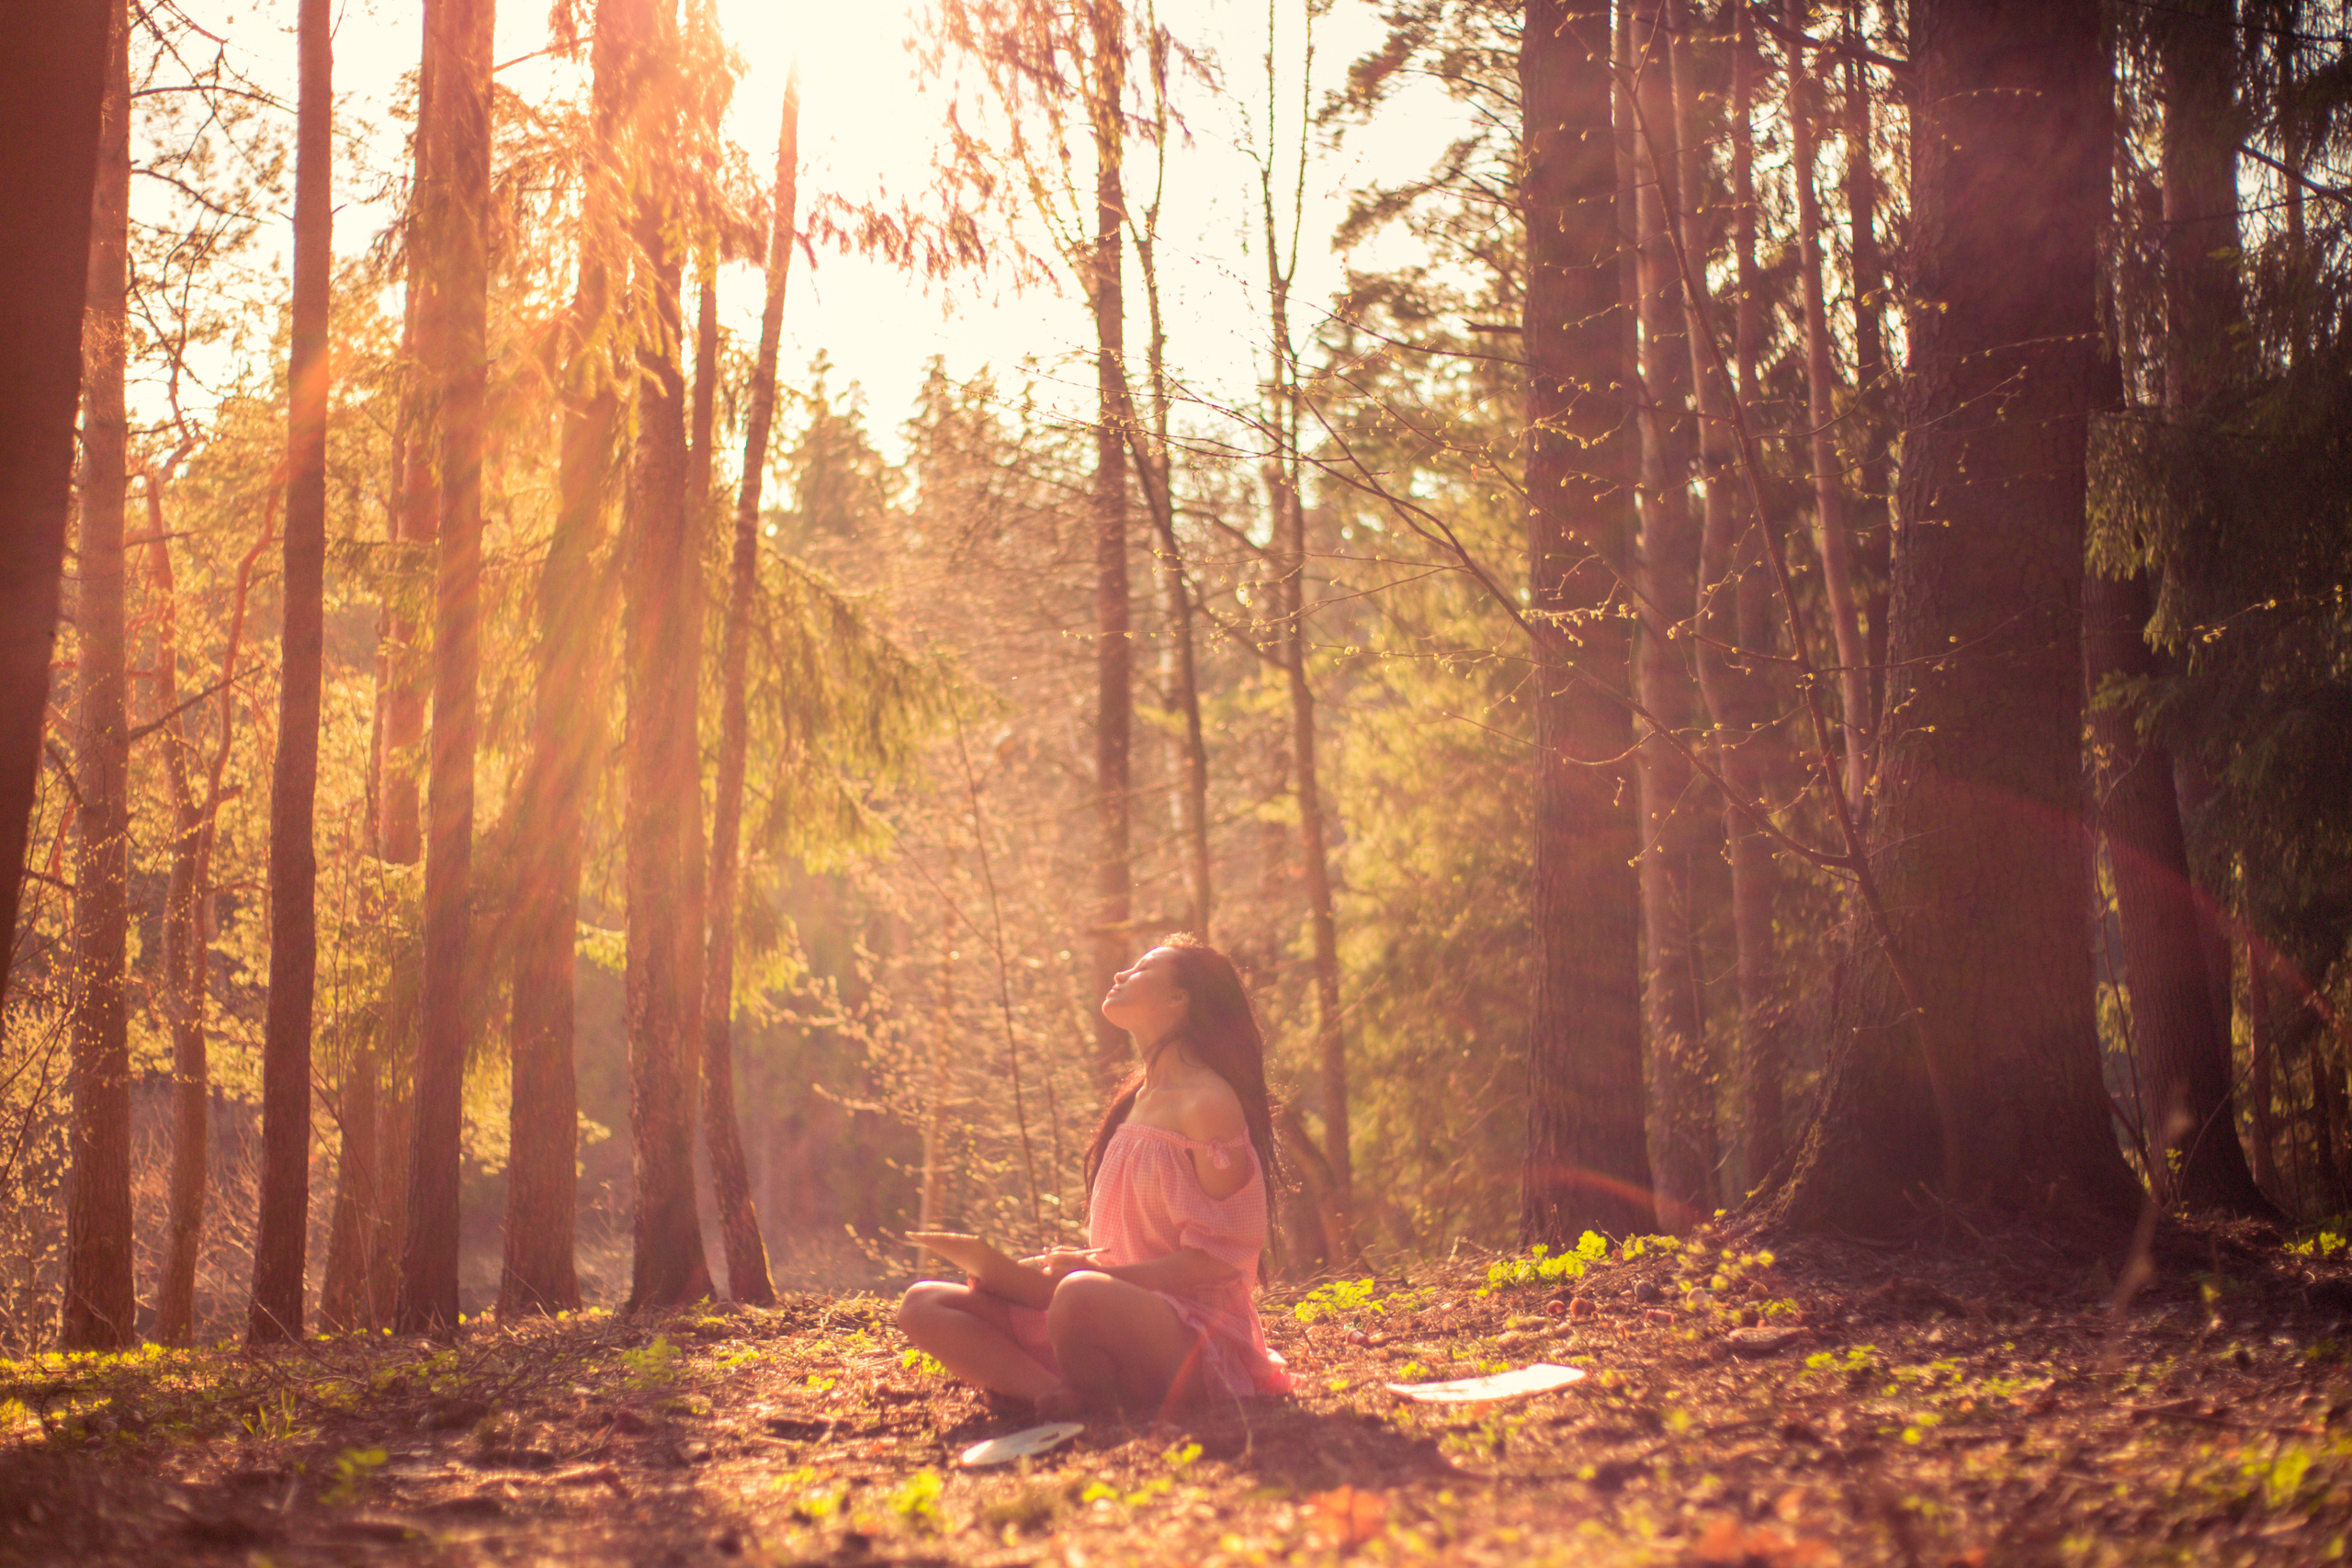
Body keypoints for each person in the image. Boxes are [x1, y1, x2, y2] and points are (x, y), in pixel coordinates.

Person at [898, 935, 1294, 1416]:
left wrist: (1096, 1278)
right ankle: (1054, 1395)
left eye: (1142, 968)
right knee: (924, 1303)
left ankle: (1093, 1395)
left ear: (1178, 998)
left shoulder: (1209, 1102)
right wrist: (1040, 1270)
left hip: (1188, 1331)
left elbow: (1219, 1260)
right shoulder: (1135, 1100)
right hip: (1100, 1306)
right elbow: (1127, 1247)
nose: (1120, 975)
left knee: (1078, 1298)